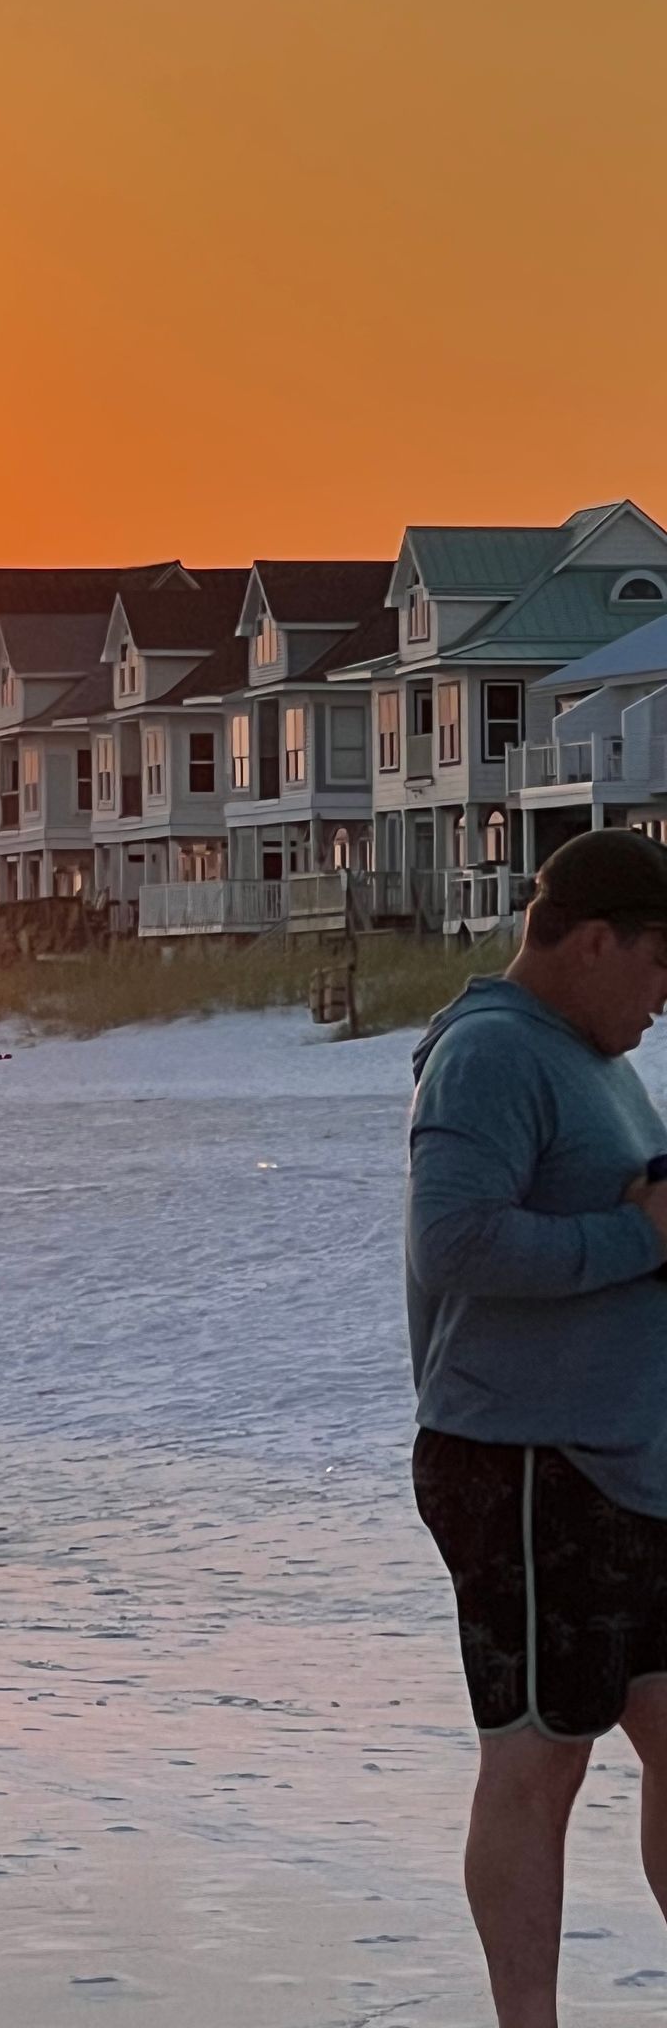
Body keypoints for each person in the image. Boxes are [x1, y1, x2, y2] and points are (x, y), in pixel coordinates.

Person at [407, 830, 667, 2028]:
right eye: (663, 963)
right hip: (522, 1461)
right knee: (538, 1754)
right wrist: (638, 1239)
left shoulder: (592, 1053)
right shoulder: (491, 1053)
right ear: (597, 939)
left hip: (623, 1461)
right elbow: (455, 1243)